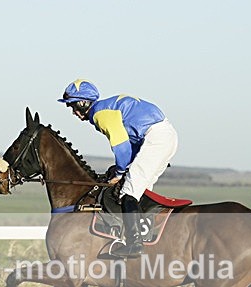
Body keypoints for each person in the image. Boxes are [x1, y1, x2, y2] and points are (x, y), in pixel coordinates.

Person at [58, 79, 178, 257]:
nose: (73, 112)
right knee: (140, 191)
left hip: (156, 138)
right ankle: (144, 238)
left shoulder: (101, 114)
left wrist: (120, 172)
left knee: (128, 193)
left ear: (83, 103)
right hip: (162, 137)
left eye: (73, 106)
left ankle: (134, 245)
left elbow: (121, 146)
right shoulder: (106, 108)